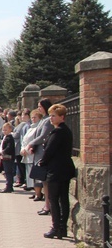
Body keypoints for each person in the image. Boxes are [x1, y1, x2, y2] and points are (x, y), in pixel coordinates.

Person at [36, 104, 76, 239]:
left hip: (56, 170)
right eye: (50, 115)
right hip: (64, 169)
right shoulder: (65, 130)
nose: (51, 118)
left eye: (54, 116)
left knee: (54, 199)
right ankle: (62, 228)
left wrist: (42, 162)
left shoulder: (58, 132)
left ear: (62, 117)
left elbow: (49, 151)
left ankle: (56, 227)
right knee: (63, 199)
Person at [27, 98, 53, 216]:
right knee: (43, 182)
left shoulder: (48, 121)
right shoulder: (43, 119)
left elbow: (43, 136)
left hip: (43, 154)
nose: (38, 108)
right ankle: (47, 204)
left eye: (40, 106)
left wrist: (31, 143)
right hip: (38, 153)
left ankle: (48, 205)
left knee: (45, 182)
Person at [21, 110, 43, 197]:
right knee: (29, 174)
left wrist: (26, 149)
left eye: (35, 117)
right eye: (32, 117)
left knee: (34, 175)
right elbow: (24, 140)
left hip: (32, 153)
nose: (33, 119)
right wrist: (23, 149)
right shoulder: (30, 127)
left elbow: (35, 141)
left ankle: (38, 193)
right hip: (26, 153)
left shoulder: (38, 128)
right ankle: (35, 191)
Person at [0, 122, 15, 193]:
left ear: (10, 130)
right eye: (3, 130)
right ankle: (9, 186)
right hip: (4, 157)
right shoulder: (5, 137)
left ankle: (9, 186)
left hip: (8, 157)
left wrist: (3, 152)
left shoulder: (10, 137)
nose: (4, 131)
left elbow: (9, 147)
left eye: (6, 130)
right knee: (7, 172)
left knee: (8, 172)